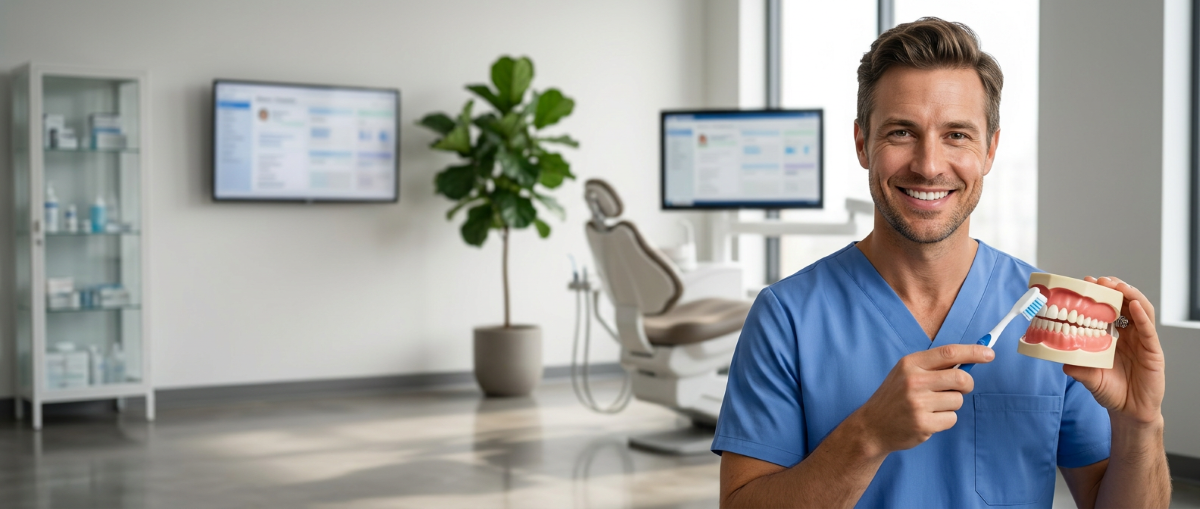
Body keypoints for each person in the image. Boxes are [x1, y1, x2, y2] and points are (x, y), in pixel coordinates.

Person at [712, 17, 1170, 508]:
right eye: (902, 132)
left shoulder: (1049, 316)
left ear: (990, 149)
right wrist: (868, 436)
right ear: (863, 144)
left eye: (956, 135)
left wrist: (1139, 424)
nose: (929, 165)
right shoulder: (786, 318)